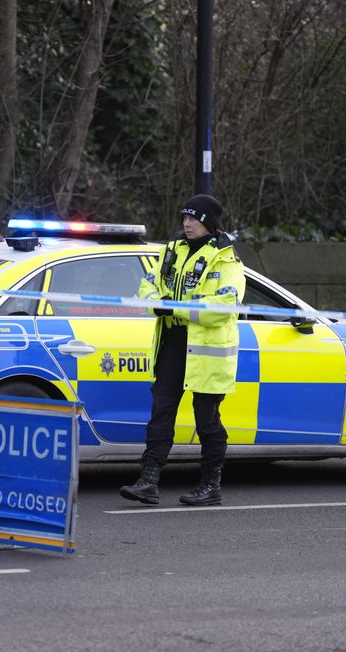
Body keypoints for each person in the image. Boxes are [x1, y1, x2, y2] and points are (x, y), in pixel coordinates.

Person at [119, 194, 245, 506]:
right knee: (161, 413)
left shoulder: (227, 260)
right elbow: (147, 285)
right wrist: (156, 304)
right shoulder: (172, 250)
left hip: (206, 349)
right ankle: (148, 480)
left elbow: (224, 306)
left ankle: (210, 485)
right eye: (185, 218)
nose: (187, 224)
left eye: (194, 218)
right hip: (172, 344)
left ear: (209, 223)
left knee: (207, 420)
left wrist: (173, 308)